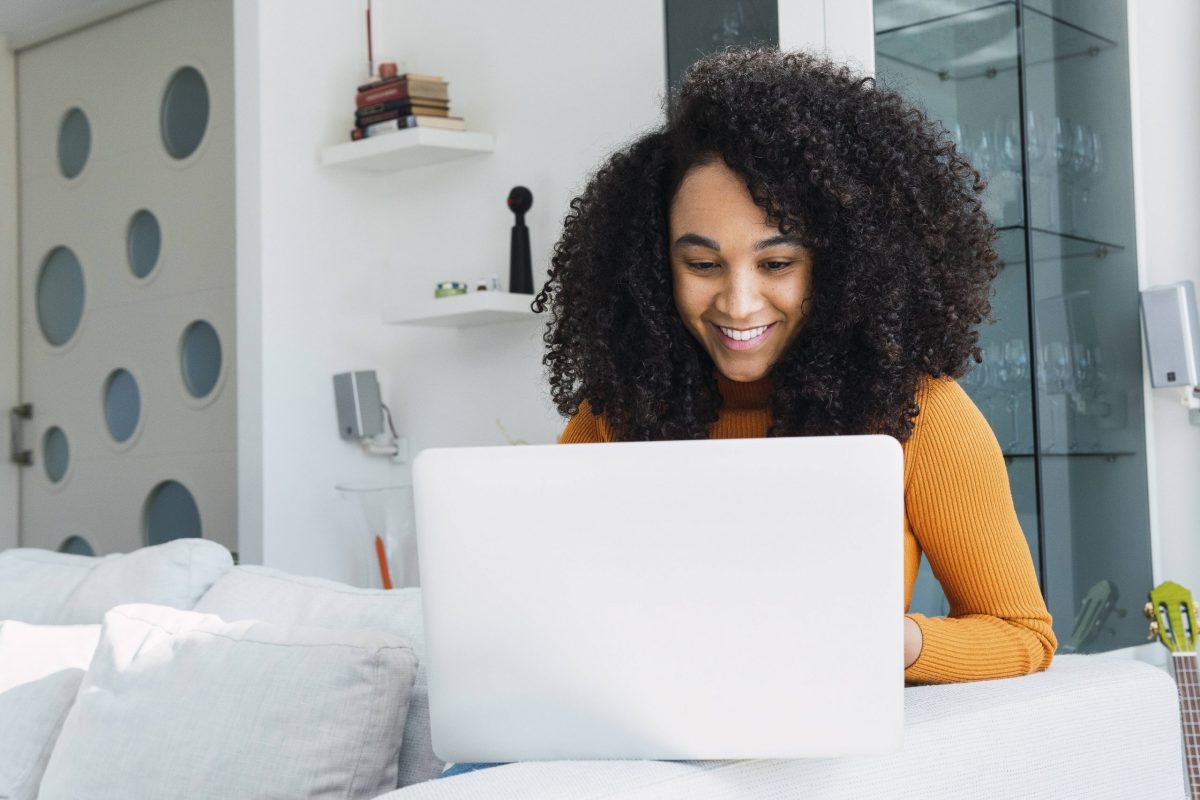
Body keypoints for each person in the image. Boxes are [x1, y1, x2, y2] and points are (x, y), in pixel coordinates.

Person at [439, 46, 1055, 779]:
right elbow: (549, 622)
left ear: (842, 261)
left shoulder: (921, 414)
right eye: (702, 265)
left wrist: (897, 645)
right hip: (622, 754)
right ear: (653, 264)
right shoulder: (614, 414)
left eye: (776, 263)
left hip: (791, 767)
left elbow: (1023, 634)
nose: (737, 303)